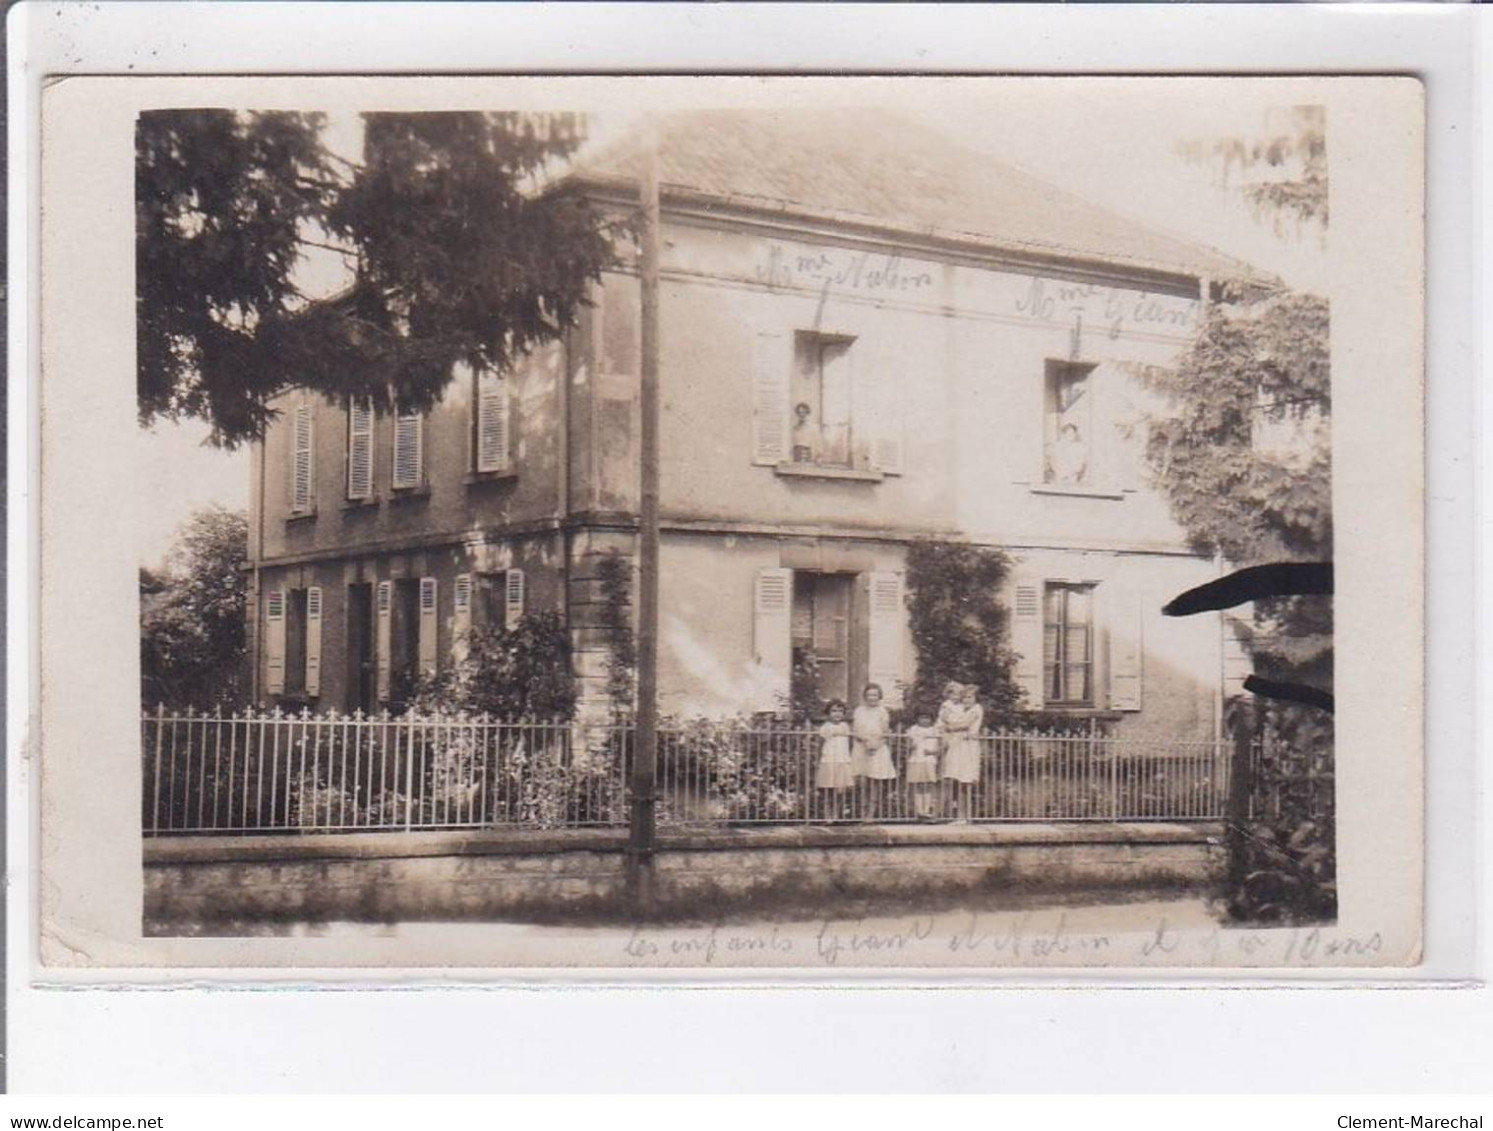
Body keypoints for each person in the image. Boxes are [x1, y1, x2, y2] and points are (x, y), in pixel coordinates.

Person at [851, 683, 897, 818]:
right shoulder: (859, 710)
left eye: (875, 695)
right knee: (862, 781)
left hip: (878, 748)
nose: (872, 698)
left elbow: (885, 731)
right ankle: (861, 811)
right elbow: (856, 730)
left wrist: (875, 745)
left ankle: (871, 814)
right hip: (861, 747)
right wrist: (865, 742)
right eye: (870, 694)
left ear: (879, 696)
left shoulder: (882, 711)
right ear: (865, 696)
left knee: (875, 781)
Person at [940, 682, 983, 821]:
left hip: (968, 747)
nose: (966, 700)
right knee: (958, 781)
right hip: (959, 746)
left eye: (970, 697)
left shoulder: (976, 709)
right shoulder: (962, 710)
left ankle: (965, 817)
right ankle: (961, 816)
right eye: (964, 697)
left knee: (966, 781)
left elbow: (964, 725)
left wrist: (950, 726)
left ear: (976, 698)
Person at [814, 700, 854, 820]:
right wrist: (818, 759)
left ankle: (837, 814)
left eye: (840, 711)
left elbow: (849, 744)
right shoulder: (826, 727)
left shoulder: (845, 726)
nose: (837, 714)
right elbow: (820, 745)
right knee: (827, 790)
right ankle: (828, 815)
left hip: (842, 760)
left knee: (840, 791)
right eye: (834, 711)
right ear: (828, 713)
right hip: (829, 760)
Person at [903, 708, 942, 819]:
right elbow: (907, 745)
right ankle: (919, 811)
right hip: (916, 759)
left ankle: (927, 810)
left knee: (928, 785)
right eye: (922, 718)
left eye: (927, 718)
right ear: (917, 719)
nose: (925, 720)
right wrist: (911, 746)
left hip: (929, 760)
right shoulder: (913, 729)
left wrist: (934, 751)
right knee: (917, 784)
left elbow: (941, 746)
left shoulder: (935, 730)